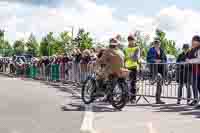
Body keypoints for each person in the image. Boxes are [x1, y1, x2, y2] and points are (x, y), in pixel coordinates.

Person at [147, 39, 167, 104]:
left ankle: (158, 99)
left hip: (161, 69)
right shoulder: (151, 50)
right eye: (156, 44)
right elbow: (148, 59)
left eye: (158, 44)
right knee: (159, 78)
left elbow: (165, 59)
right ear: (154, 44)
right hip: (153, 69)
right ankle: (153, 80)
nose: (157, 45)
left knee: (160, 84)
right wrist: (155, 61)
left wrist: (161, 61)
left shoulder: (162, 50)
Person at [124, 35, 140, 103]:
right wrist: (130, 57)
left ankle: (133, 98)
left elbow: (136, 58)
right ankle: (127, 97)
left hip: (134, 67)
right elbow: (124, 57)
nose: (131, 42)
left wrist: (129, 57)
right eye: (129, 40)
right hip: (126, 67)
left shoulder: (137, 48)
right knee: (126, 83)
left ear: (134, 40)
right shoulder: (125, 48)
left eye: (132, 40)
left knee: (133, 83)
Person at [186, 35, 200, 108]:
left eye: (194, 40)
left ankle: (196, 100)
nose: (192, 42)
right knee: (195, 86)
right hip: (195, 70)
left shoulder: (199, 49)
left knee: (198, 86)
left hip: (198, 70)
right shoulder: (193, 49)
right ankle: (196, 100)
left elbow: (198, 59)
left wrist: (190, 61)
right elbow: (188, 57)